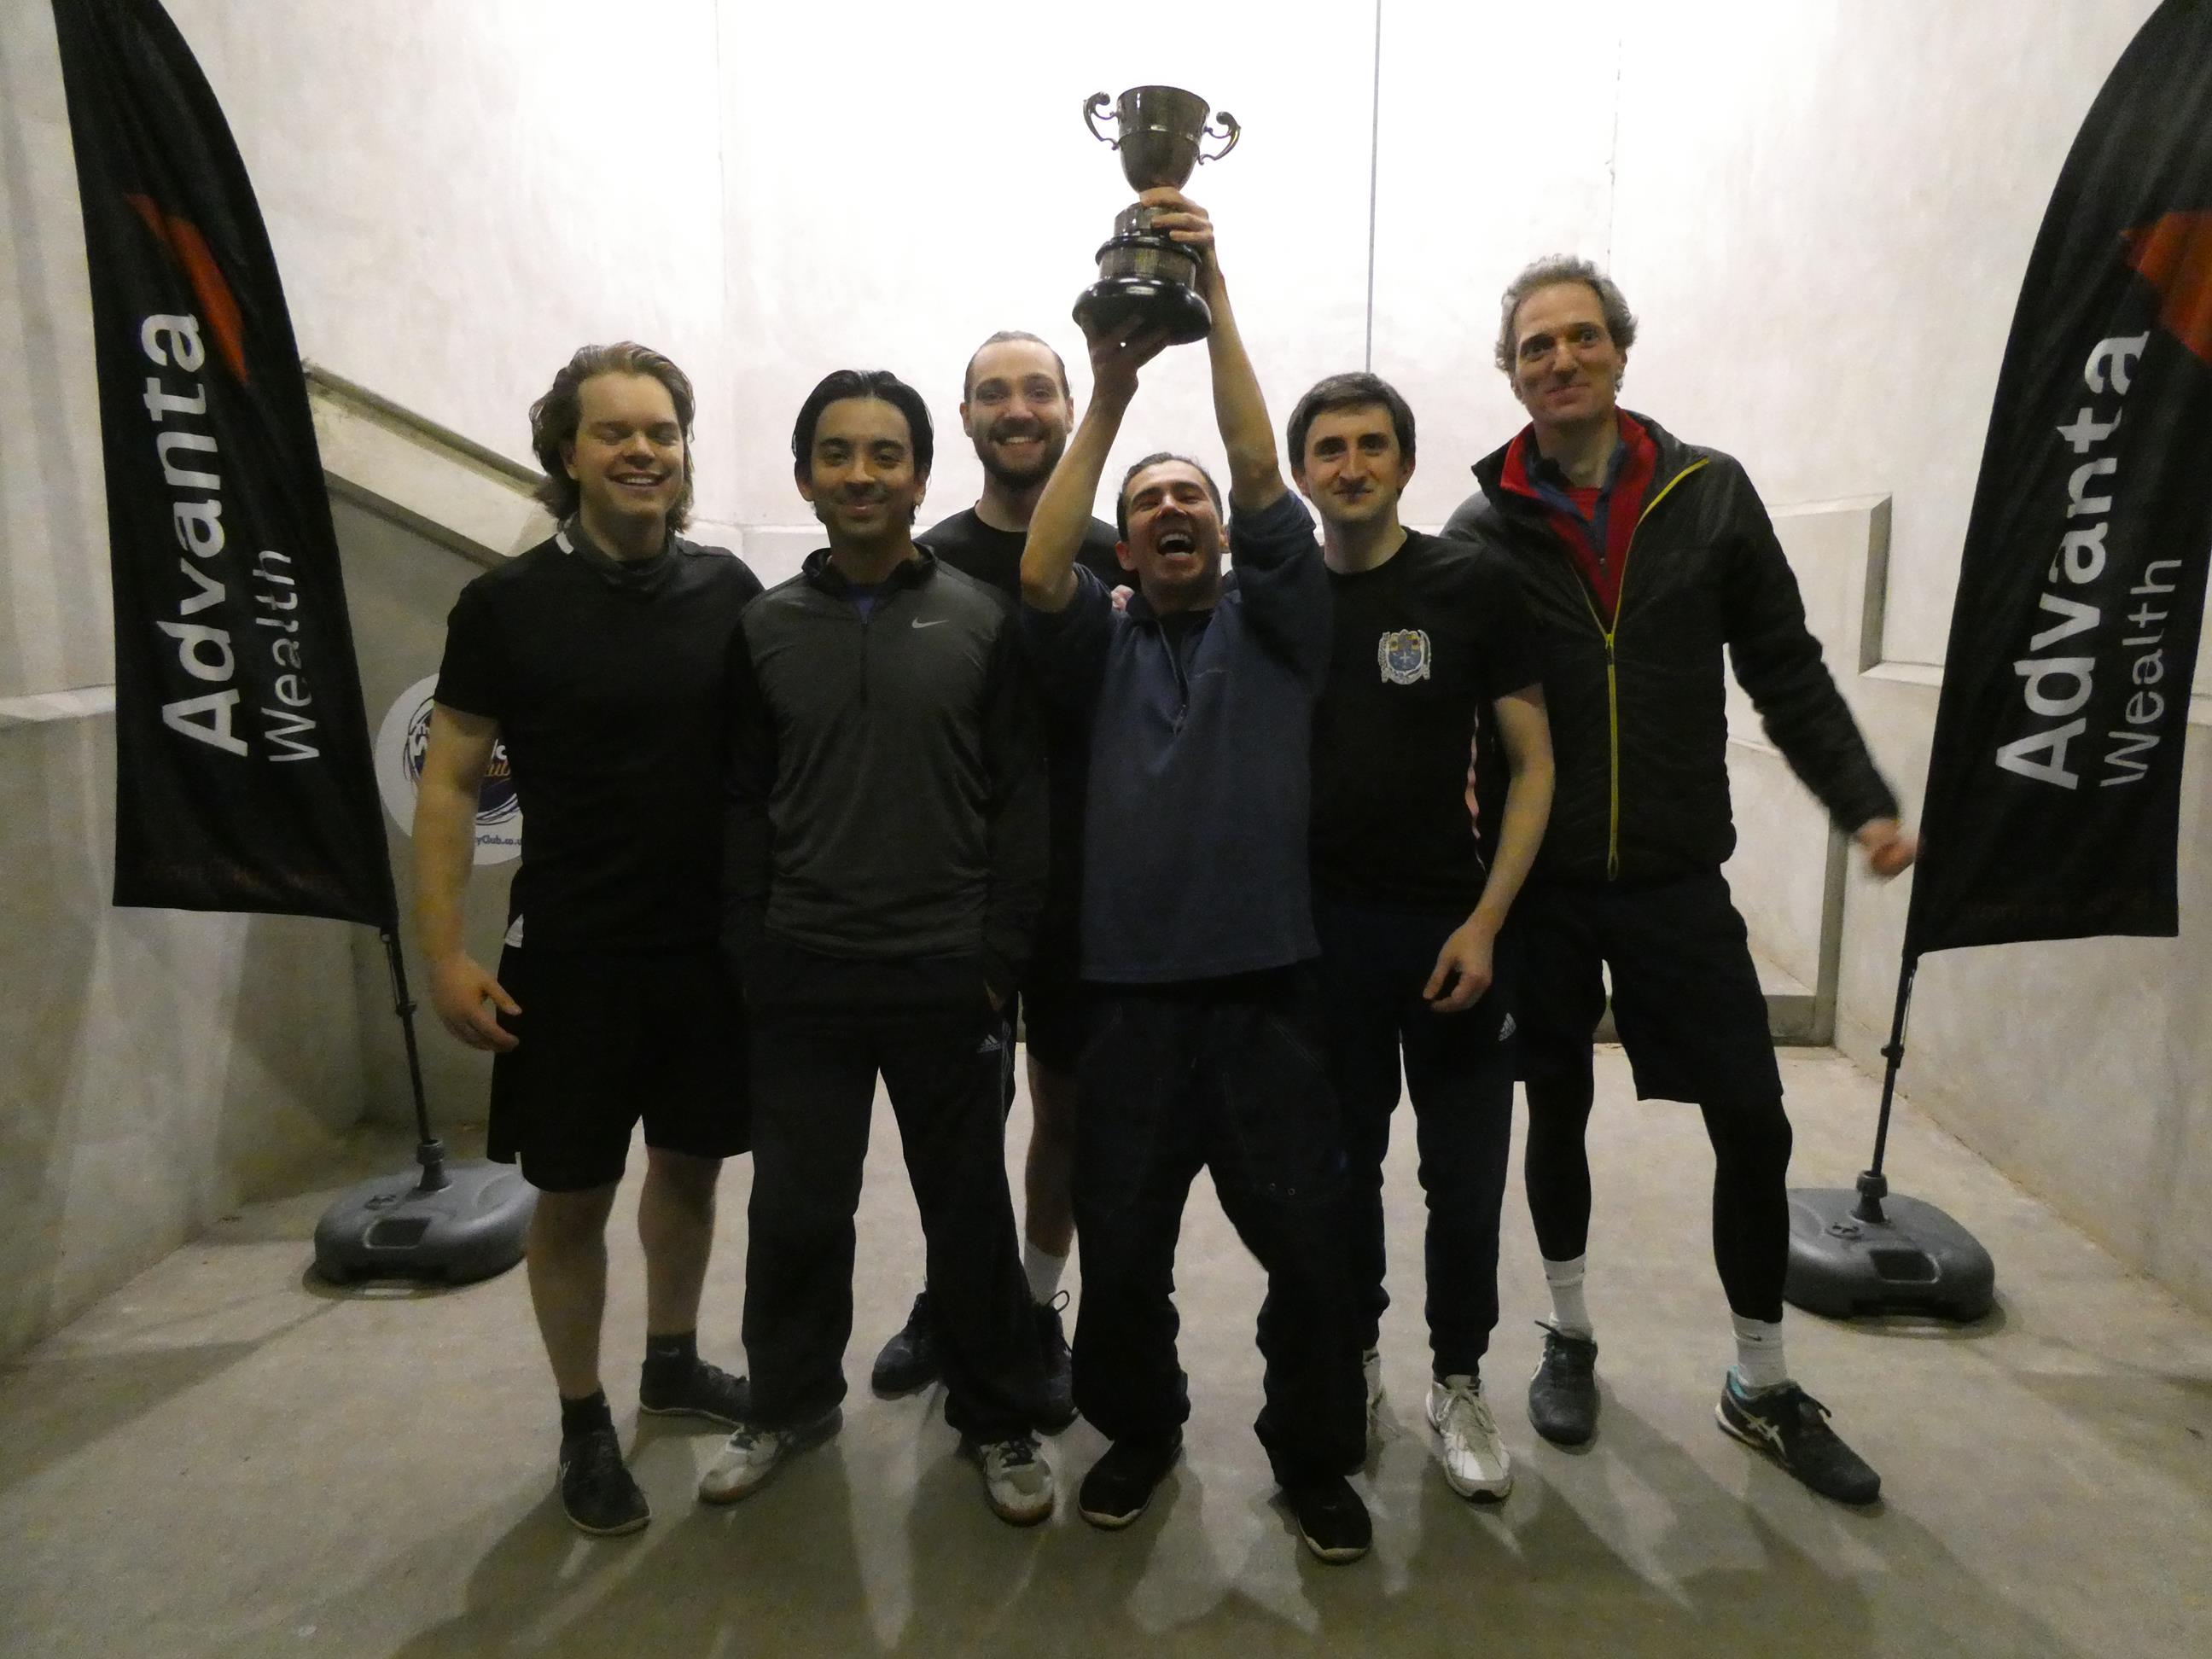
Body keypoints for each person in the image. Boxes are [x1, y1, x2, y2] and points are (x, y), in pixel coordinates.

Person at [1443, 257, 1918, 1505]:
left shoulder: (1710, 498)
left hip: (1673, 878)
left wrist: (1861, 798)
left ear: (1619, 351)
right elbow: (1445, 712)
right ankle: (1569, 1334)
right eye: (1535, 346)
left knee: (1753, 1122)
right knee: (1553, 1110)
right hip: (1539, 888)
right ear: (1512, 371)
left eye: (1581, 338)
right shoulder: (1484, 526)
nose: (1560, 361)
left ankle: (1760, 1381)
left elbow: (1785, 664)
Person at [1021, 190, 1370, 1564]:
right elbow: (1043, 568)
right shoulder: (1096, 635)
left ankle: (1314, 1455)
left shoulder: (1282, 623)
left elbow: (1257, 465)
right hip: (1125, 1006)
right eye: (1147, 505)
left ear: (1223, 534)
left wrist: (1214, 296)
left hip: (1271, 995)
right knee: (1122, 1254)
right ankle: (1142, 1431)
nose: (1174, 510)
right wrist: (1104, 395)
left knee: (1313, 1251)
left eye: (1191, 502)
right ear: (1127, 538)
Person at [416, 342, 760, 1537]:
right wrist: (447, 955)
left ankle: (673, 1359)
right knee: (571, 1199)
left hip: (707, 955)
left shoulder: (728, 593)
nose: (641, 451)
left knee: (692, 1170)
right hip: (569, 957)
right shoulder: (505, 606)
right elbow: (452, 784)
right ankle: (583, 1418)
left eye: (661, 431)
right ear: (567, 451)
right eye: (614, 431)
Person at [705, 369, 1054, 1525]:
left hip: (946, 971)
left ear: (919, 474)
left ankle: (999, 1417)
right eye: (840, 454)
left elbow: (1020, 799)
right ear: (806, 477)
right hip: (804, 969)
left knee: (967, 1211)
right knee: (799, 1209)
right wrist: (753, 955)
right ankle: (790, 1400)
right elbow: (744, 807)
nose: (863, 474)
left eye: (887, 453)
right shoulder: (762, 631)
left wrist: (997, 954)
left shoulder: (977, 619)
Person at [1289, 371, 1554, 1502]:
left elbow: (1534, 764)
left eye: (1373, 444)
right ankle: (1353, 1363)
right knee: (1339, 1175)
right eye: (1330, 448)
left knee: (1463, 1177)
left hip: (1457, 940)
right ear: (1302, 473)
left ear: (1402, 461)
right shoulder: (1284, 593)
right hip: (1325, 944)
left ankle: (1457, 1379)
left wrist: (1488, 923)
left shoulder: (1471, 582)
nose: (1352, 464)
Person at [867, 330, 1125, 1427]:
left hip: (1084, 895)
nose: (1016, 409)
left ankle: (1028, 1303)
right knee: (960, 1123)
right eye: (992, 394)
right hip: (952, 896)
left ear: (1070, 408)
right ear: (964, 420)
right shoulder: (921, 560)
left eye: (1036, 389)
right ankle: (952, 1294)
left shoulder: (1121, 552)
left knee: (1063, 1114)